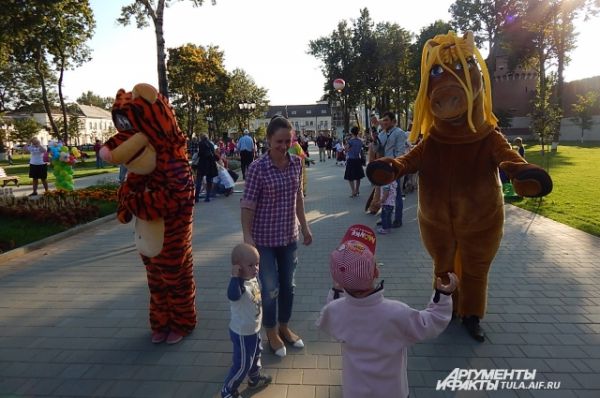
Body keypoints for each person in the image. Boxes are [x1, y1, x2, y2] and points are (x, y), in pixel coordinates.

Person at [317, 224, 458, 398]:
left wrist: (338, 289)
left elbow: (333, 308)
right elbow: (431, 323)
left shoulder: (334, 310)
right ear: (376, 271)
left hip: (354, 391)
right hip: (392, 391)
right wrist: (443, 296)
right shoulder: (396, 312)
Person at [241, 115, 313, 358]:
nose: (283, 146)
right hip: (264, 240)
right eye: (278, 141)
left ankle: (284, 326)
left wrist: (305, 226)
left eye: (287, 141)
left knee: (288, 287)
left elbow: (298, 198)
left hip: (289, 237)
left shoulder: (296, 163)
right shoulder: (257, 168)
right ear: (268, 140)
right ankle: (270, 331)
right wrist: (247, 237)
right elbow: (248, 205)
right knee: (270, 287)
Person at [221, 243, 272, 398]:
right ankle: (228, 390)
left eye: (257, 264)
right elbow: (233, 296)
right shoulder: (238, 285)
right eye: (251, 265)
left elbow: (258, 292)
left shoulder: (252, 278)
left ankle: (255, 378)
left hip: (254, 329)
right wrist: (234, 277)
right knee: (242, 365)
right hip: (242, 332)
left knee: (257, 353)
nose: (256, 268)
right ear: (237, 267)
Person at [378, 111, 408, 228]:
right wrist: (375, 139)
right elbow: (377, 148)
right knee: (384, 192)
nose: (384, 122)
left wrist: (394, 166)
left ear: (393, 121)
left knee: (396, 194)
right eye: (383, 120)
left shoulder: (399, 133)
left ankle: (398, 219)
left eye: (386, 120)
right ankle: (385, 218)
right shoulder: (382, 133)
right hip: (382, 166)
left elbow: (400, 152)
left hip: (394, 167)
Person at [193, 133, 218, 203]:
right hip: (210, 164)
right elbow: (213, 153)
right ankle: (207, 197)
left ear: (201, 138)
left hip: (202, 164)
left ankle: (196, 198)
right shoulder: (211, 144)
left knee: (199, 181)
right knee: (209, 181)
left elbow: (200, 154)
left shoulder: (200, 144)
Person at [344, 126, 365, 197]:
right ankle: (357, 190)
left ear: (352, 132)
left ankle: (353, 191)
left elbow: (346, 150)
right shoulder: (360, 141)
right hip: (358, 159)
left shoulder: (350, 141)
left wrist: (347, 147)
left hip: (351, 159)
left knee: (350, 177)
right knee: (358, 176)